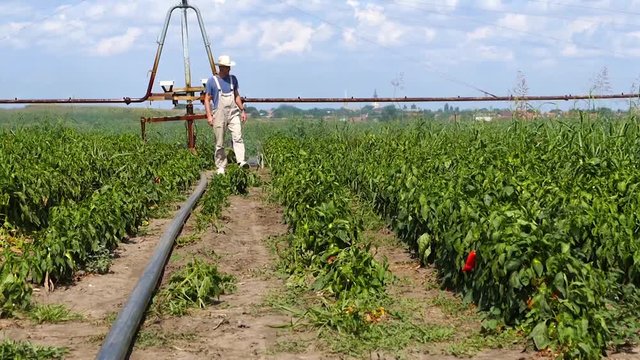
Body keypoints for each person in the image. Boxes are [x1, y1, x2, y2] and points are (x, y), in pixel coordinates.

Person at [204, 55, 248, 175]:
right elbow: (207, 99)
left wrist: (242, 110)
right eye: (227, 67)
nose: (229, 69)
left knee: (238, 136)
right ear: (221, 67)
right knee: (220, 141)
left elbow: (237, 95)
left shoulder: (233, 79)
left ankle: (241, 161)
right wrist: (209, 115)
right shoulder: (212, 81)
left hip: (233, 112)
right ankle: (221, 166)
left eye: (229, 67)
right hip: (219, 113)